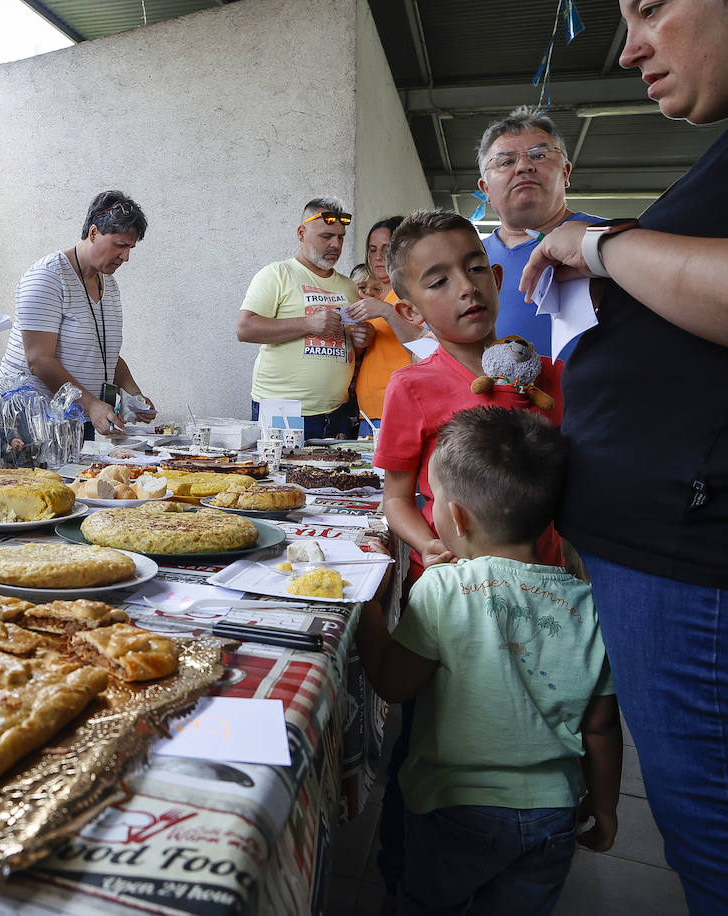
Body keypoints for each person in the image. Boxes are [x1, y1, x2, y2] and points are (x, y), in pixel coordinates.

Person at [517, 2, 728, 908]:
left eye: (652, 7)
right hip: (662, 549)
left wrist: (599, 245)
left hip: (694, 560)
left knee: (713, 837)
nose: (631, 45)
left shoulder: (597, 231)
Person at [370, 208, 567, 906]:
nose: (465, 287)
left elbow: (564, 496)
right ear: (410, 307)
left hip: (540, 599)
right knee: (433, 737)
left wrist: (568, 565)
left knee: (531, 724)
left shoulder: (546, 376)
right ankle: (408, 869)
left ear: (499, 273)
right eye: (438, 279)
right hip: (451, 601)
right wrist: (425, 544)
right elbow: (397, 497)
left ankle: (527, 837)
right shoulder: (413, 388)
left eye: (474, 267)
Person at [357, 406, 621, 915]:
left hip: (452, 806)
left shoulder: (442, 587)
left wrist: (368, 602)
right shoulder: (589, 604)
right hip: (553, 812)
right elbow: (602, 727)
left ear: (455, 517)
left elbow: (392, 682)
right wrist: (605, 804)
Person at [0, 191, 156, 436]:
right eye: (120, 245)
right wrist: (92, 404)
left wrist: (135, 395)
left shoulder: (109, 283)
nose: (125, 257)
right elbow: (39, 361)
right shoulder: (48, 276)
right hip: (30, 417)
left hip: (77, 413)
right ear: (94, 233)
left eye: (130, 248)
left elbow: (106, 354)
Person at [235, 197, 373, 438]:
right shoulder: (277, 274)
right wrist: (308, 323)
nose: (336, 245)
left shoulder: (349, 287)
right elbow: (245, 329)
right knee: (281, 476)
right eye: (326, 236)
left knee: (336, 476)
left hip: (337, 412)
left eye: (340, 237)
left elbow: (352, 347)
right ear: (301, 233)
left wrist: (362, 338)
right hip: (283, 411)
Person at [478, 106, 599, 359]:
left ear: (566, 173)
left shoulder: (610, 238)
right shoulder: (469, 261)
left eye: (539, 155)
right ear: (485, 189)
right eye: (506, 161)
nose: (523, 167)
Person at [347, 216, 424, 435]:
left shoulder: (417, 292)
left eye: (386, 248)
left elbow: (426, 348)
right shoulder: (374, 296)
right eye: (372, 250)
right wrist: (359, 342)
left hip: (401, 412)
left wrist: (387, 312)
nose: (378, 257)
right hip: (368, 414)